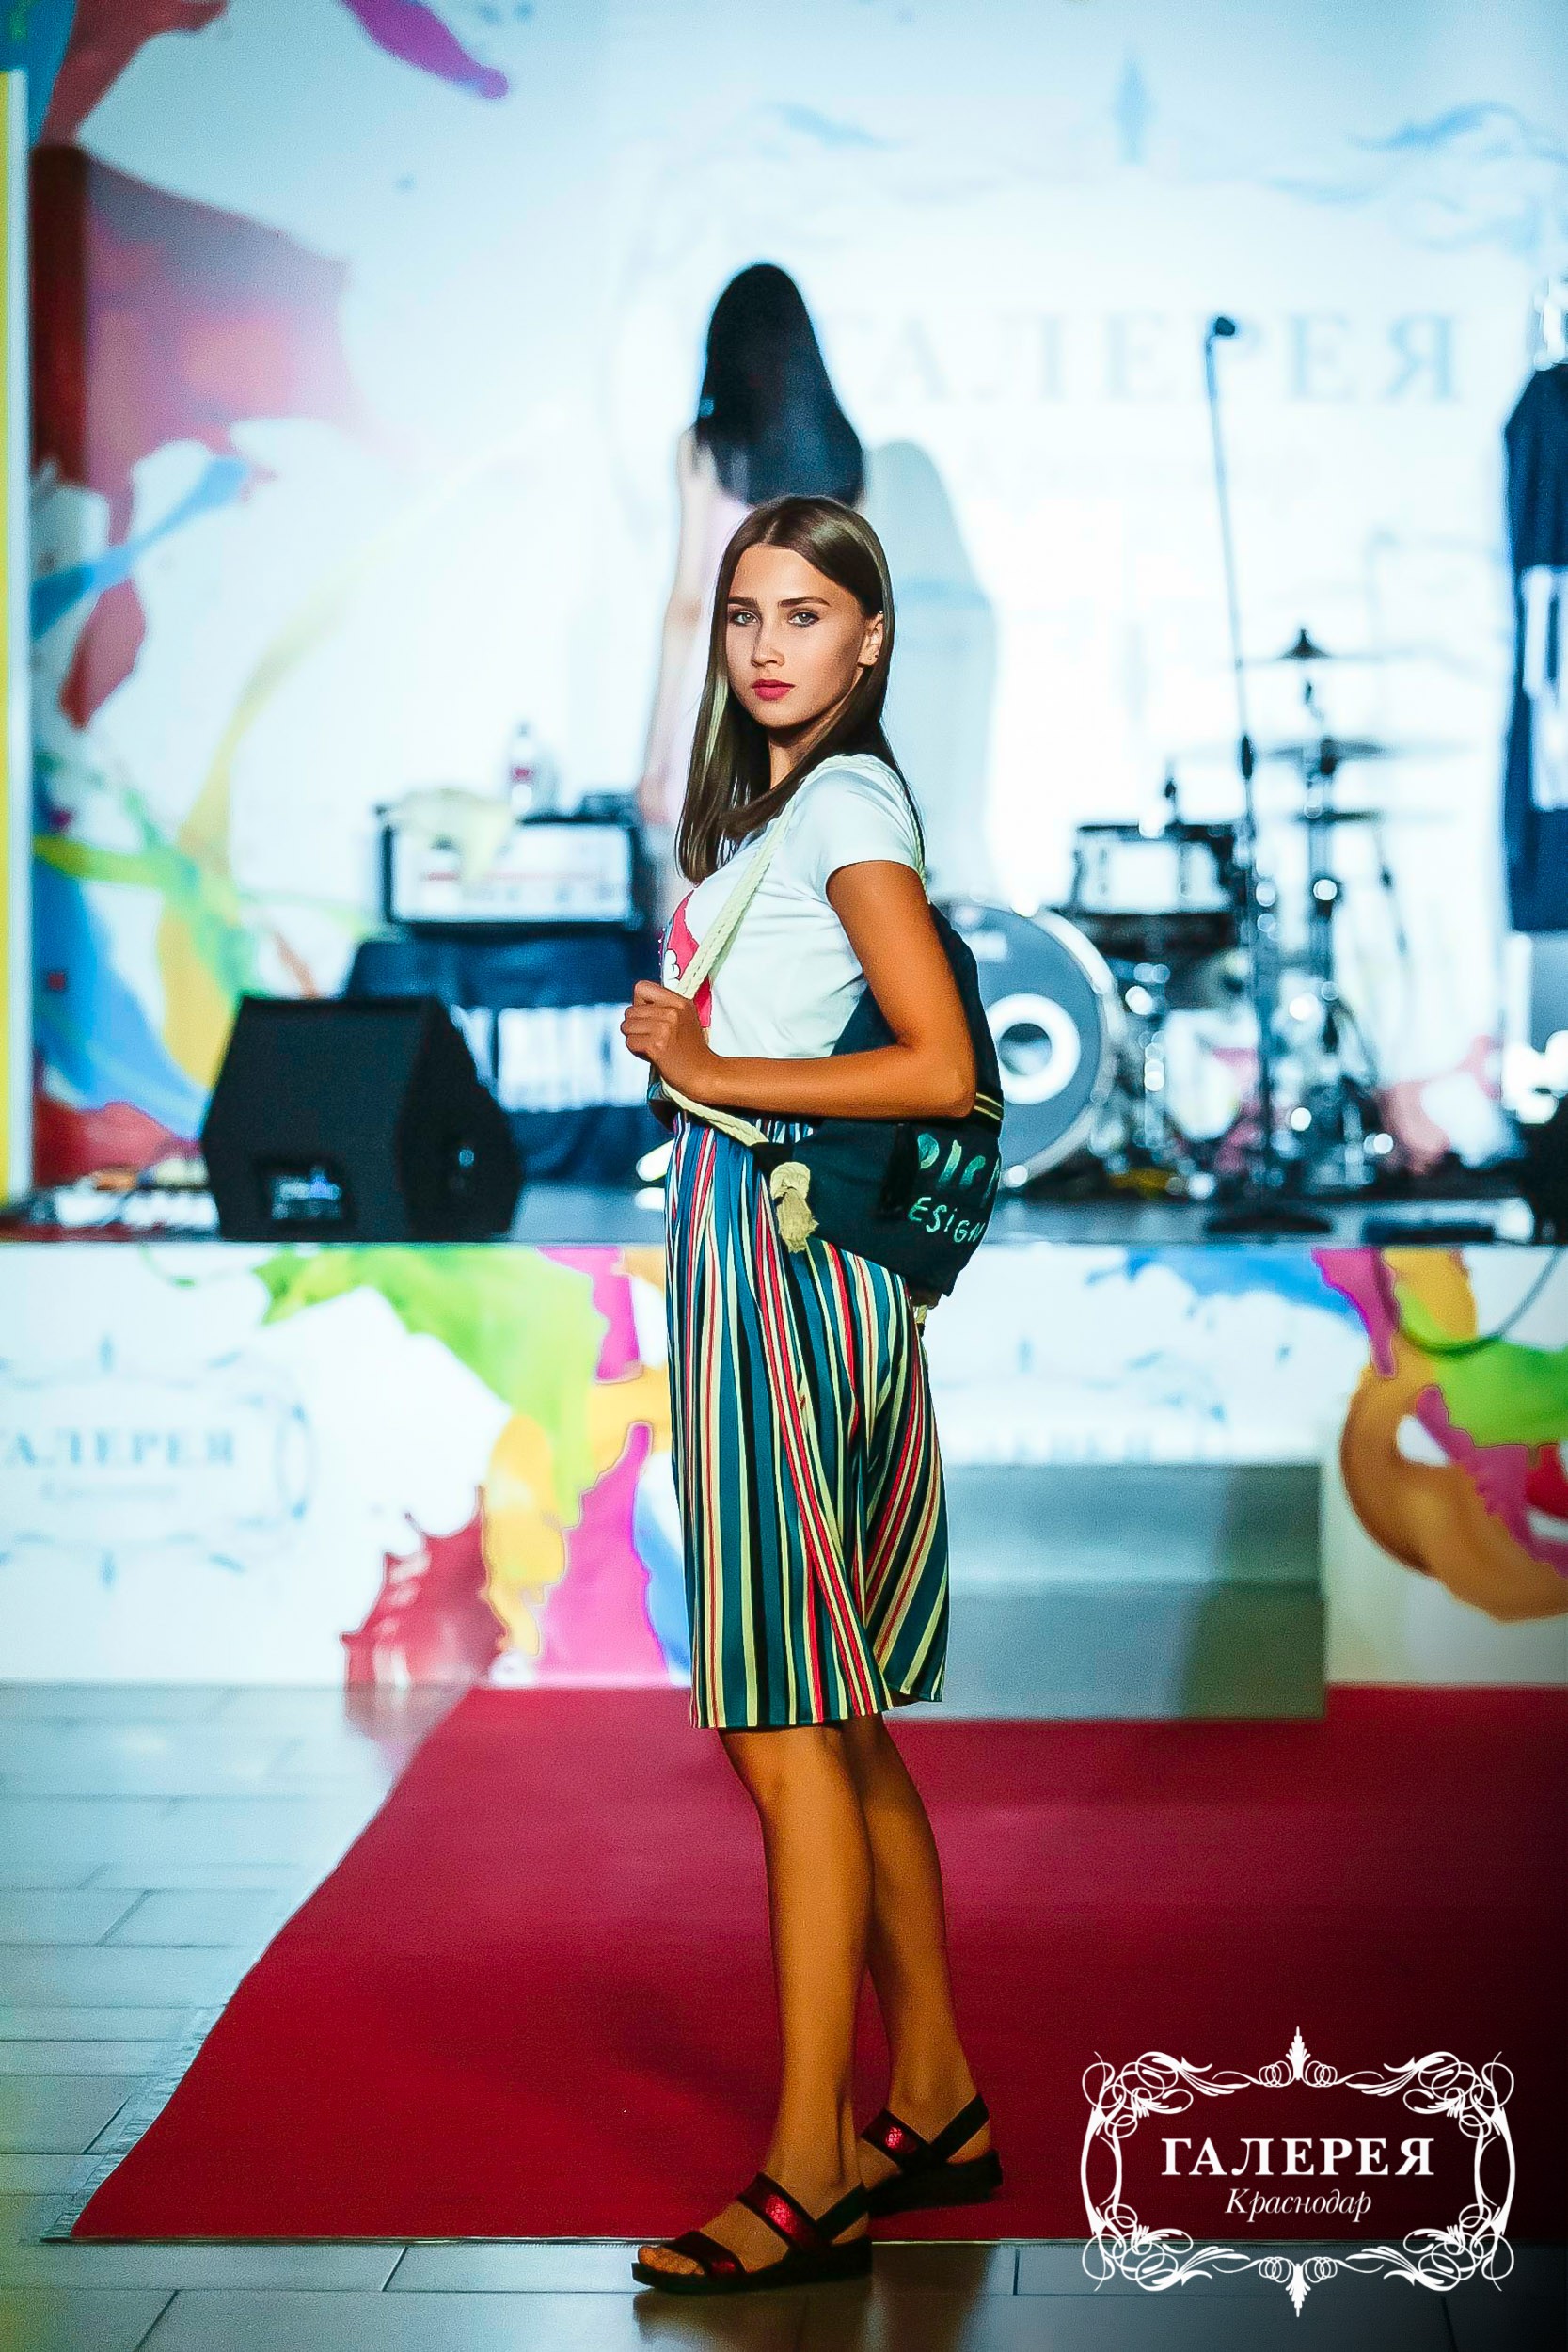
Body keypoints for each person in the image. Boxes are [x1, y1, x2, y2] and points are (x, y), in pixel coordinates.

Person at [621, 496, 1001, 2297]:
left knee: (782, 1728)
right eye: (742, 614)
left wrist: (707, 1062)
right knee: (832, 1723)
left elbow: (935, 1065)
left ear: (871, 638)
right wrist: (702, 1052)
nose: (767, 645)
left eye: (805, 613)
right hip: (786, 1257)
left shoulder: (844, 804)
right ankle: (930, 2099)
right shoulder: (803, 809)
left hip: (772, 1265)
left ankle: (807, 2172)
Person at [638, 264, 864, 846]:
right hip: (819, 722)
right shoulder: (846, 457)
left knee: (700, 898)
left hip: (724, 710)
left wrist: (656, 759)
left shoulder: (706, 449)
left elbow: (688, 604)